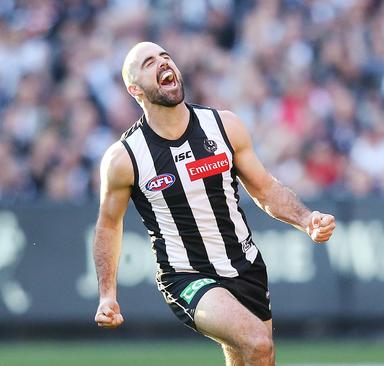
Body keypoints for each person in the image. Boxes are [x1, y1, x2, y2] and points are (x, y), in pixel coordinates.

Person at [92, 41, 336, 366]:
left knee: (252, 356)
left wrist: (306, 219)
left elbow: (264, 189)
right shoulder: (125, 157)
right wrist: (108, 294)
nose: (163, 63)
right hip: (186, 275)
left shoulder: (223, 126)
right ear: (134, 88)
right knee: (258, 343)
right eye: (150, 62)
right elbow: (109, 225)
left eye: (166, 56)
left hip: (245, 265)